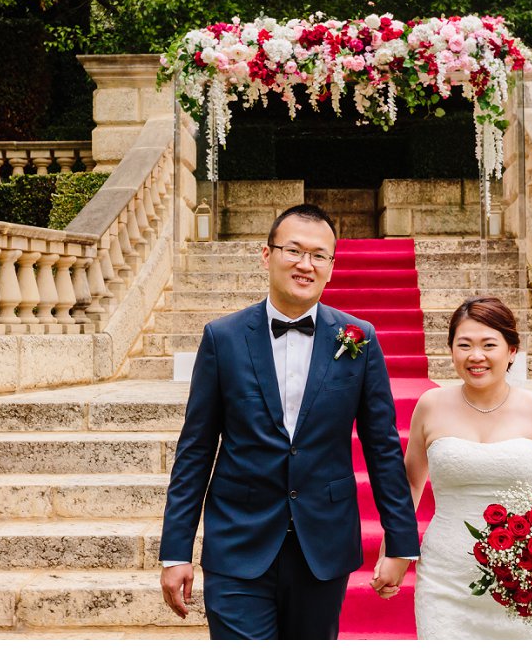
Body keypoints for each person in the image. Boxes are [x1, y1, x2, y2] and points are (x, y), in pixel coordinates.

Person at [157, 203, 419, 639]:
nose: (305, 264)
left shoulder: (359, 338)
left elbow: (383, 448)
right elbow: (196, 450)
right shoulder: (222, 338)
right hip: (237, 542)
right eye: (293, 250)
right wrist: (175, 551)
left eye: (319, 255)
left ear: (332, 268)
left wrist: (401, 542)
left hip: (323, 543)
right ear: (267, 255)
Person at [377, 295, 532, 639]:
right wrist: (395, 552)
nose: (476, 356)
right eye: (464, 345)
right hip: (446, 577)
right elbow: (410, 486)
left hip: (523, 574)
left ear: (511, 350)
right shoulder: (431, 406)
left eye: (489, 344)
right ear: (451, 350)